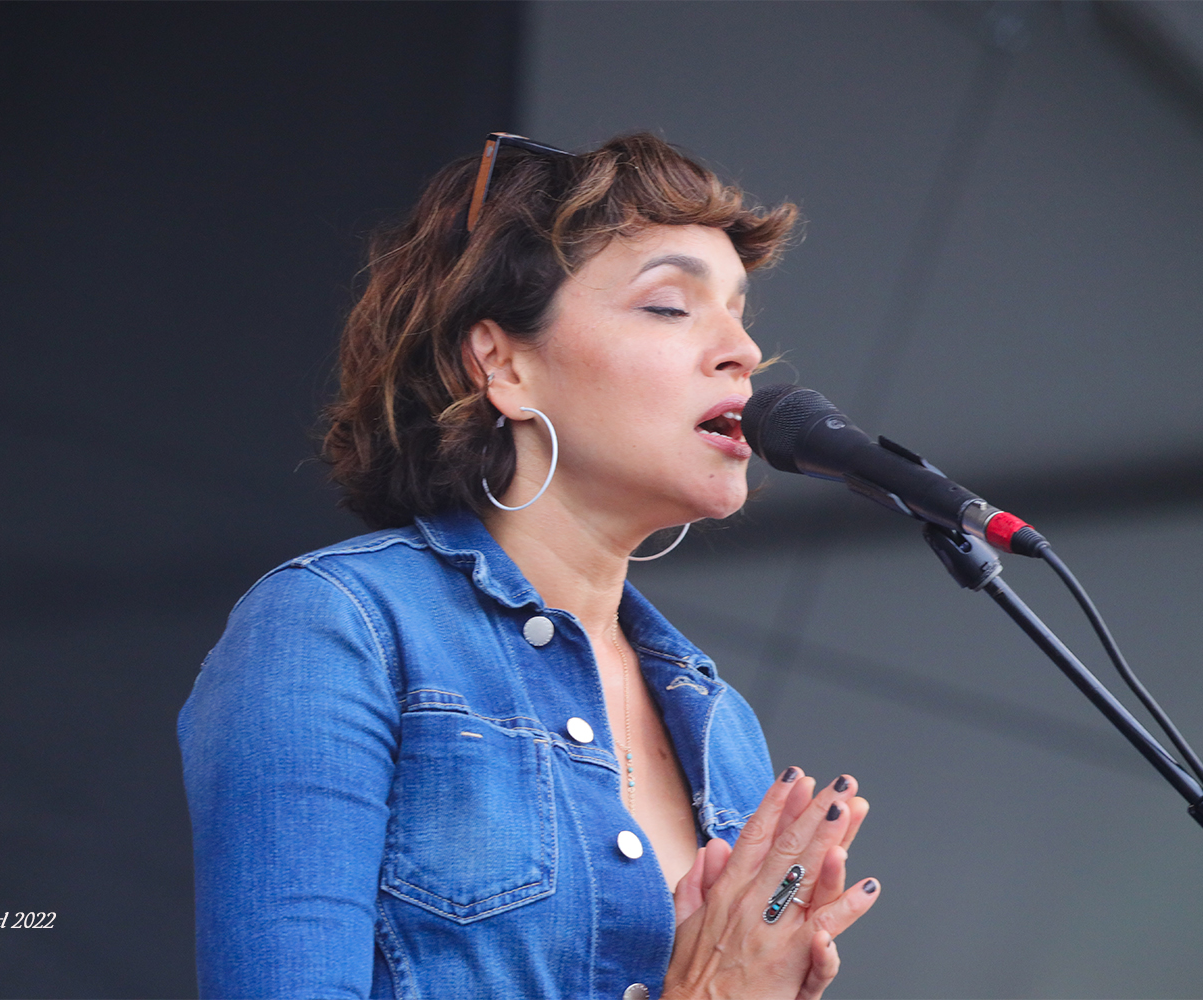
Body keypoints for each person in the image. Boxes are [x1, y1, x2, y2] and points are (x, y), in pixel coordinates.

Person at [178, 132, 881, 999]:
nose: (741, 351)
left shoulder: (721, 726)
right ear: (503, 364)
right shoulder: (343, 626)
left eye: (741, 313)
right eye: (670, 305)